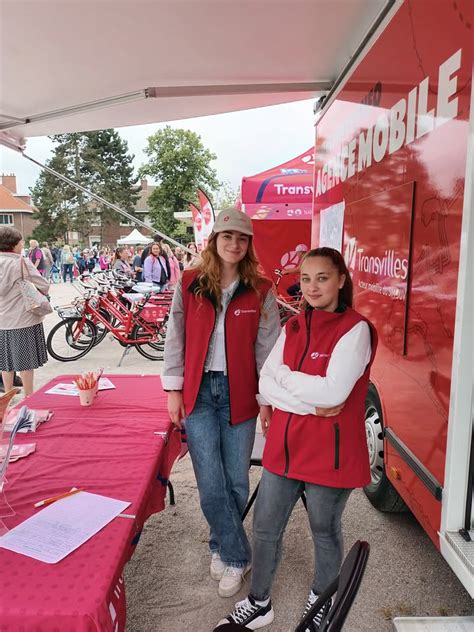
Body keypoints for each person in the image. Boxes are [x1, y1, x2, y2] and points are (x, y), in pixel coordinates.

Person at [218, 247, 377, 630]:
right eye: (305, 279)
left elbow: (333, 394)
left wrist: (286, 384)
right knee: (265, 526)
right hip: (286, 447)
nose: (312, 287)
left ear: (341, 279)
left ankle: (322, 599)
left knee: (324, 529)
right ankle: (259, 602)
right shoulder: (293, 325)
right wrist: (298, 392)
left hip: (330, 452)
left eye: (322, 278)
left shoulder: (355, 330)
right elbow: (268, 382)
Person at [163, 208, 280, 598]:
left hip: (241, 394)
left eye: (242, 238)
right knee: (210, 483)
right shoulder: (190, 282)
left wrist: (266, 399)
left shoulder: (261, 290)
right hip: (199, 394)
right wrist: (174, 390)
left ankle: (220, 545)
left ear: (248, 246)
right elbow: (175, 339)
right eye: (227, 236)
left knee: (235, 481)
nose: (234, 243)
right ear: (215, 241)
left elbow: (268, 349)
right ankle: (238, 554)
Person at [0, 227, 50, 397]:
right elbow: (43, 285)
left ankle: (7, 397)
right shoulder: (20, 262)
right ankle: (28, 398)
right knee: (25, 364)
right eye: (21, 241)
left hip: (2, 321)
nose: (22, 244)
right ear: (13, 244)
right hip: (23, 319)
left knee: (6, 363)